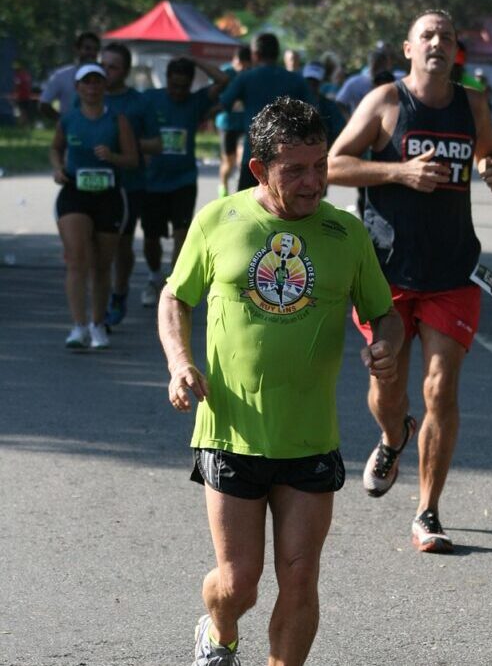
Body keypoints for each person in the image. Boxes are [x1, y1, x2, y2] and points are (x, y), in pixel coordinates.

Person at [157, 96, 403, 666]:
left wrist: (385, 343)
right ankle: (218, 631)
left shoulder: (346, 234)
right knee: (239, 584)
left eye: (320, 165)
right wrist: (179, 361)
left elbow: (383, 312)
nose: (314, 181)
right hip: (230, 431)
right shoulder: (219, 220)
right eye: (295, 169)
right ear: (259, 169)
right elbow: (176, 296)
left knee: (300, 578)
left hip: (310, 437)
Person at [328, 9, 492, 553]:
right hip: (386, 271)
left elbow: (491, 153)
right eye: (426, 35)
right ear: (409, 48)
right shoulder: (385, 102)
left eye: (446, 36)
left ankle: (427, 511)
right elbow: (335, 163)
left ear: (455, 51)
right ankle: (392, 436)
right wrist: (398, 172)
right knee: (387, 384)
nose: (436, 42)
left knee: (440, 387)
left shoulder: (472, 102)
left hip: (453, 270)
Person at [49, 63, 137, 349]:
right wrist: (57, 168)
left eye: (97, 82)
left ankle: (98, 324)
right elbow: (55, 148)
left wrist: (112, 155)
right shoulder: (69, 119)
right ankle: (78, 326)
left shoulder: (117, 120)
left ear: (104, 87)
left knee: (102, 264)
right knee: (76, 259)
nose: (91, 87)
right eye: (86, 82)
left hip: (108, 196)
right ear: (77, 88)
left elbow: (132, 159)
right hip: (75, 193)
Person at [140, 57, 228, 307]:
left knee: (181, 235)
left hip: (183, 180)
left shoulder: (196, 101)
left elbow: (223, 80)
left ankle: (171, 285)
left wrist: (196, 60)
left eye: (183, 86)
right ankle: (154, 275)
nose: (178, 91)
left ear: (190, 84)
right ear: (166, 79)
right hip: (152, 182)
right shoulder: (150, 98)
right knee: (151, 238)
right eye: (173, 84)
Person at [98, 42, 162, 327]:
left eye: (113, 67)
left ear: (124, 71)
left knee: (122, 245)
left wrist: (126, 146)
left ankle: (119, 292)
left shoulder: (139, 102)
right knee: (95, 246)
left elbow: (157, 144)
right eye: (103, 65)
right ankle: (97, 302)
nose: (106, 72)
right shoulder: (89, 98)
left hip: (130, 185)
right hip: (94, 185)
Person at [219, 33, 312, 193]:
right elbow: (312, 112)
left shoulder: (246, 78)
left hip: (254, 155)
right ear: (278, 53)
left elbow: (225, 103)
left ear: (255, 55)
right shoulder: (295, 80)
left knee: (247, 209)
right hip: (288, 154)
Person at [215, 45, 252, 198]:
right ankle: (223, 184)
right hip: (227, 124)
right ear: (233, 61)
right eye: (239, 64)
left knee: (242, 156)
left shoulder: (251, 75)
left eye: (245, 64)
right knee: (228, 162)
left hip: (244, 124)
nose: (241, 68)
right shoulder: (226, 72)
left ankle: (239, 190)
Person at [40, 32, 100, 121]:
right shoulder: (62, 75)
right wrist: (63, 122)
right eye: (87, 49)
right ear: (77, 49)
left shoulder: (104, 76)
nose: (92, 53)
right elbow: (44, 103)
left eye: (95, 50)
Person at [302, 61, 345, 146]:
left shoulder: (330, 106)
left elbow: (339, 133)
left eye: (315, 81)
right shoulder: (294, 104)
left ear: (321, 82)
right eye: (309, 80)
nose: (311, 84)